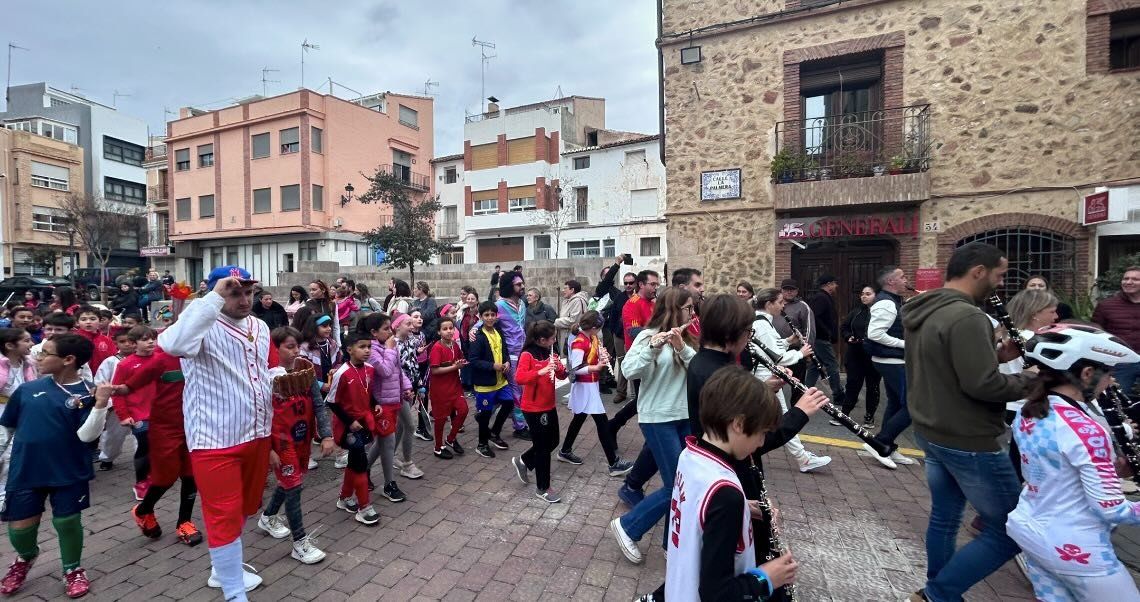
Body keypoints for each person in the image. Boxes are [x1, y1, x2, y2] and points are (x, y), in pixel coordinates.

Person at [903, 242, 1036, 602]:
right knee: (1011, 529)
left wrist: (993, 355)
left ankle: (938, 589)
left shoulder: (924, 308)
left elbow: (945, 366)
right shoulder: (967, 317)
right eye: (999, 274)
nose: (1000, 283)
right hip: (968, 437)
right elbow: (982, 384)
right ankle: (938, 593)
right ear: (978, 271)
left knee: (945, 519)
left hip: (932, 431)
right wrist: (1033, 379)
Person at [157, 267, 274, 599]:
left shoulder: (260, 326)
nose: (244, 299)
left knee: (242, 510)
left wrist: (278, 378)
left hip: (256, 432)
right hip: (214, 438)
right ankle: (234, 593)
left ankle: (221, 571)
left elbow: (261, 369)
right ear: (215, 292)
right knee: (222, 512)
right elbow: (172, 344)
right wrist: (213, 296)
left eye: (248, 291)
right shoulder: (200, 323)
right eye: (234, 292)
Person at [1006, 324, 1140, 601]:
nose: (1111, 383)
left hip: (1031, 528)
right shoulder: (1087, 429)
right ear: (1087, 373)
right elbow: (1112, 510)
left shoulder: (1029, 410)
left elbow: (1059, 470)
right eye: (1109, 374)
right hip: (1076, 545)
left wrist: (1112, 470)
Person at [664, 366, 799, 601]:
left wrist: (744, 508)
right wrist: (767, 576)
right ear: (738, 424)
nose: (761, 443)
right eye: (762, 432)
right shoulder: (725, 494)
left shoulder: (690, 455)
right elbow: (716, 594)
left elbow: (696, 511)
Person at [0, 334, 111, 598]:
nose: (36, 357)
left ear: (68, 360)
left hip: (68, 471)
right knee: (20, 529)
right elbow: (8, 427)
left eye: (44, 353)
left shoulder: (89, 393)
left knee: (68, 522)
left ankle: (72, 568)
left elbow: (87, 436)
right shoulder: (27, 390)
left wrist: (101, 404)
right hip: (26, 469)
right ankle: (26, 557)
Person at [610, 288, 697, 564]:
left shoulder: (688, 337)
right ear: (674, 309)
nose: (692, 313)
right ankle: (628, 527)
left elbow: (698, 372)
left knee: (686, 483)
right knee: (674, 485)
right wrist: (652, 347)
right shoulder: (648, 336)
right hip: (658, 418)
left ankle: (669, 544)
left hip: (684, 416)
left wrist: (682, 348)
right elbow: (629, 371)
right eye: (688, 308)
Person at [114, 343, 203, 548]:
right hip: (166, 427)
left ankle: (184, 522)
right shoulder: (161, 359)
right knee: (166, 476)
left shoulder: (204, 354)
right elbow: (128, 386)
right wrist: (121, 407)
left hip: (196, 425)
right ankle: (143, 510)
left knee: (191, 474)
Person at [256, 326, 333, 563]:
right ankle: (299, 542)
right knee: (294, 487)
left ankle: (268, 516)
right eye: (289, 347)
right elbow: (258, 415)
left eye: (297, 346)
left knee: (293, 481)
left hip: (302, 438)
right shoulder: (265, 377)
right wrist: (267, 448)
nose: (295, 351)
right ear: (274, 348)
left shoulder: (304, 372)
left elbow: (319, 405)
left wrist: (327, 434)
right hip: (281, 442)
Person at [750, 288, 831, 473]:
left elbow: (772, 347)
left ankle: (799, 457)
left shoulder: (764, 322)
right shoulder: (761, 324)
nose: (783, 305)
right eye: (779, 302)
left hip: (766, 375)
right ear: (769, 304)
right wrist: (800, 354)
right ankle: (802, 458)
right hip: (766, 377)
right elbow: (778, 358)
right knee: (782, 419)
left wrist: (788, 341)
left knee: (774, 419)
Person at [558, 311, 633, 475]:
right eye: (598, 328)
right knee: (602, 423)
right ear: (593, 327)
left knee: (579, 419)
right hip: (584, 387)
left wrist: (604, 358)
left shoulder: (592, 338)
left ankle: (565, 451)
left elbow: (595, 354)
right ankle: (613, 463)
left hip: (591, 385)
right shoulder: (579, 342)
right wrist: (596, 367)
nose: (599, 332)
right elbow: (575, 369)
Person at [861, 266, 918, 469]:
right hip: (892, 361)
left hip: (891, 361)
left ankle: (888, 447)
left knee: (895, 403)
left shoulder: (891, 301)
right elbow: (875, 334)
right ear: (891, 282)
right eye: (902, 277)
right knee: (912, 406)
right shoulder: (886, 303)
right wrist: (905, 344)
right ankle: (879, 443)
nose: (906, 280)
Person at [325, 333, 381, 526]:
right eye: (362, 347)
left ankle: (344, 497)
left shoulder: (370, 369)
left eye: (369, 347)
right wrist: (349, 422)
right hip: (347, 427)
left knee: (356, 461)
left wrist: (376, 404)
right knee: (360, 463)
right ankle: (364, 507)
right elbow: (331, 402)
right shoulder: (342, 373)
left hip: (365, 422)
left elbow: (368, 392)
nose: (367, 351)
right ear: (349, 350)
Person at [511, 320, 569, 503]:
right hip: (533, 408)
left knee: (554, 441)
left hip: (549, 404)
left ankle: (525, 461)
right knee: (543, 448)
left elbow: (561, 375)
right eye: (552, 338)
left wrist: (560, 369)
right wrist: (540, 371)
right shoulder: (528, 354)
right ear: (542, 340)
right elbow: (519, 378)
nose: (554, 341)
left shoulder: (550, 351)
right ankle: (543, 487)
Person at [359, 312, 410, 504]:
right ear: (373, 332)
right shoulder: (370, 350)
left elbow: (398, 369)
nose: (391, 331)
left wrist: (406, 387)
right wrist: (390, 349)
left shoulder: (387, 346)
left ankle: (364, 470)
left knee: (383, 441)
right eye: (386, 329)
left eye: (390, 327)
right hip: (381, 403)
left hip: (394, 398)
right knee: (388, 442)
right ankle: (389, 484)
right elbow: (386, 371)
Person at [111, 325, 158, 502]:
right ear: (133, 343)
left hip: (160, 412)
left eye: (152, 338)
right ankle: (141, 483)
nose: (150, 342)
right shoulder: (125, 364)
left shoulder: (160, 358)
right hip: (138, 413)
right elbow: (117, 391)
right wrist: (123, 415)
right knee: (144, 446)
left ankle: (155, 476)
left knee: (158, 446)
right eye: (145, 339)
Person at [469, 301, 515, 458]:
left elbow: (505, 350)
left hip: (501, 380)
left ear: (497, 316)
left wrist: (507, 361)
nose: (490, 318)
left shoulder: (498, 332)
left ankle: (494, 432)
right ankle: (482, 444)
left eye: (492, 315)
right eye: (486, 315)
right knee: (485, 414)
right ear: (481, 317)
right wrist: (492, 366)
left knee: (509, 403)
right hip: (485, 384)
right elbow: (474, 360)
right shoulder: (477, 336)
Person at [0, 328, 35, 511]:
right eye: (27, 341)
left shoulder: (27, 363)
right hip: (2, 412)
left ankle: (5, 494)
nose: (32, 344)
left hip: (23, 413)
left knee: (12, 454)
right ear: (9, 345)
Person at [1092, 265, 1140, 394]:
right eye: (1126, 278)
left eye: (1135, 279)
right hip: (1119, 362)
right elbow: (1095, 333)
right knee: (1117, 400)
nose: (1129, 282)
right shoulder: (1106, 306)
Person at [839, 285, 881, 428]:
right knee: (852, 384)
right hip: (855, 354)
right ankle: (844, 413)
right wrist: (848, 337)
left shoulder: (880, 312)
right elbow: (844, 327)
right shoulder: (856, 311)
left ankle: (869, 416)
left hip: (873, 355)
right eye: (862, 294)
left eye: (868, 294)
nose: (864, 296)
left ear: (876, 295)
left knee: (873, 386)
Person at [428, 317, 468, 459]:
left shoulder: (455, 345)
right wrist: (454, 367)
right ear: (439, 332)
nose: (449, 331)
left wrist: (461, 362)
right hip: (440, 390)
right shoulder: (437, 348)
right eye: (445, 329)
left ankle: (450, 439)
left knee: (463, 410)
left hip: (455, 386)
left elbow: (458, 360)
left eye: (451, 328)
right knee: (440, 419)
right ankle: (438, 447)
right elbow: (435, 370)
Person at [804, 274, 842, 396]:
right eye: (834, 283)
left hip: (820, 338)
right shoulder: (821, 298)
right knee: (832, 365)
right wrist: (827, 332)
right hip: (821, 339)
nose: (836, 286)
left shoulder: (824, 297)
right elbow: (815, 317)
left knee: (815, 366)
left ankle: (805, 390)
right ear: (828, 284)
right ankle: (838, 394)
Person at [72, 306, 115, 375]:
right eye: (83, 319)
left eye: (92, 319)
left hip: (102, 378)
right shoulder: (73, 339)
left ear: (100, 320)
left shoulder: (107, 340)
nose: (88, 322)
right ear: (77, 322)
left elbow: (112, 360)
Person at [554, 279, 590, 354]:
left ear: (572, 290)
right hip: (564, 334)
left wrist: (557, 322)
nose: (563, 291)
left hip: (572, 335)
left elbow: (574, 320)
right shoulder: (567, 301)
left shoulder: (578, 301)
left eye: (565, 288)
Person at [458, 287, 480, 391]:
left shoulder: (479, 313)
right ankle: (467, 384)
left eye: (473, 299)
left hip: (475, 342)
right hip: (465, 341)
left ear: (477, 300)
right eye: (469, 299)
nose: (470, 301)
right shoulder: (464, 312)